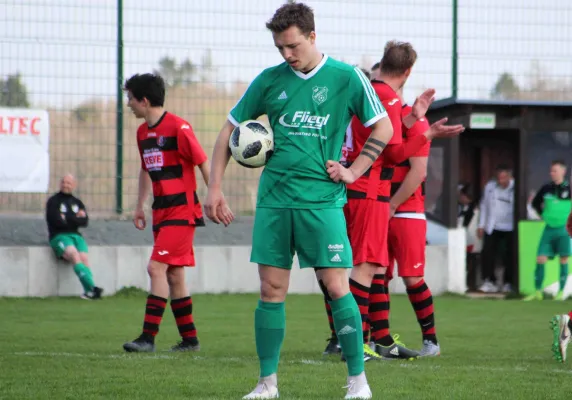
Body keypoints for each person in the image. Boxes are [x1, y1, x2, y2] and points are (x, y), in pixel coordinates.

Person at [205, 3, 396, 398]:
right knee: (271, 290)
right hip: (275, 200)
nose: (286, 54)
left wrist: (354, 170)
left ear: (312, 36)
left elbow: (384, 125)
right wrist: (214, 188)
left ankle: (358, 382)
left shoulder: (346, 78)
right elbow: (229, 130)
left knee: (337, 286)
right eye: (280, 48)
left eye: (292, 46)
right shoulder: (269, 80)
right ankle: (266, 384)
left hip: (322, 201)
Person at [321, 41, 463, 361]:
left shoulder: (373, 91)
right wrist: (426, 135)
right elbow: (395, 153)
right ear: (408, 71)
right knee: (365, 267)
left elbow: (384, 137)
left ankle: (381, 341)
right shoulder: (387, 95)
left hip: (364, 190)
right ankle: (353, 344)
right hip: (369, 190)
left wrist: (412, 118)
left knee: (375, 267)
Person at [121, 73, 212, 353]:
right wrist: (140, 206)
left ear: (144, 100)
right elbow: (146, 170)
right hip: (161, 212)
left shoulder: (178, 127)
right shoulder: (141, 134)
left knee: (155, 267)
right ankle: (190, 340)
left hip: (183, 211)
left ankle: (147, 338)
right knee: (174, 275)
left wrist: (215, 197)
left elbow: (202, 162)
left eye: (131, 99)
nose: (129, 105)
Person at [46, 174, 103, 300]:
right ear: (60, 184)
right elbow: (55, 221)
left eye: (69, 183)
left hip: (76, 236)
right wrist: (75, 217)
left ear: (74, 185)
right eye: (64, 182)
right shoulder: (53, 201)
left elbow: (85, 221)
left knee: (84, 258)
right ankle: (92, 288)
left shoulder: (77, 202)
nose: (66, 185)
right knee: (74, 255)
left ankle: (89, 292)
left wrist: (66, 217)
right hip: (59, 236)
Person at [526, 160, 571, 301]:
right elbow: (535, 203)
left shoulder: (569, 189)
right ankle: (537, 292)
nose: (552, 173)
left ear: (563, 172)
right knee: (541, 258)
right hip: (549, 228)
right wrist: (543, 214)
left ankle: (560, 293)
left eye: (555, 171)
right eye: (551, 171)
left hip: (564, 230)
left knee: (563, 259)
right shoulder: (546, 188)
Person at [477, 164, 515, 293]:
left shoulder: (516, 187)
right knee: (488, 254)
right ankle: (489, 281)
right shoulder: (490, 187)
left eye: (504, 178)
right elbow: (484, 206)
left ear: (510, 177)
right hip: (492, 227)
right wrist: (481, 225)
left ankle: (508, 283)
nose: (501, 181)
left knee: (508, 256)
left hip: (510, 227)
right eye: (499, 178)